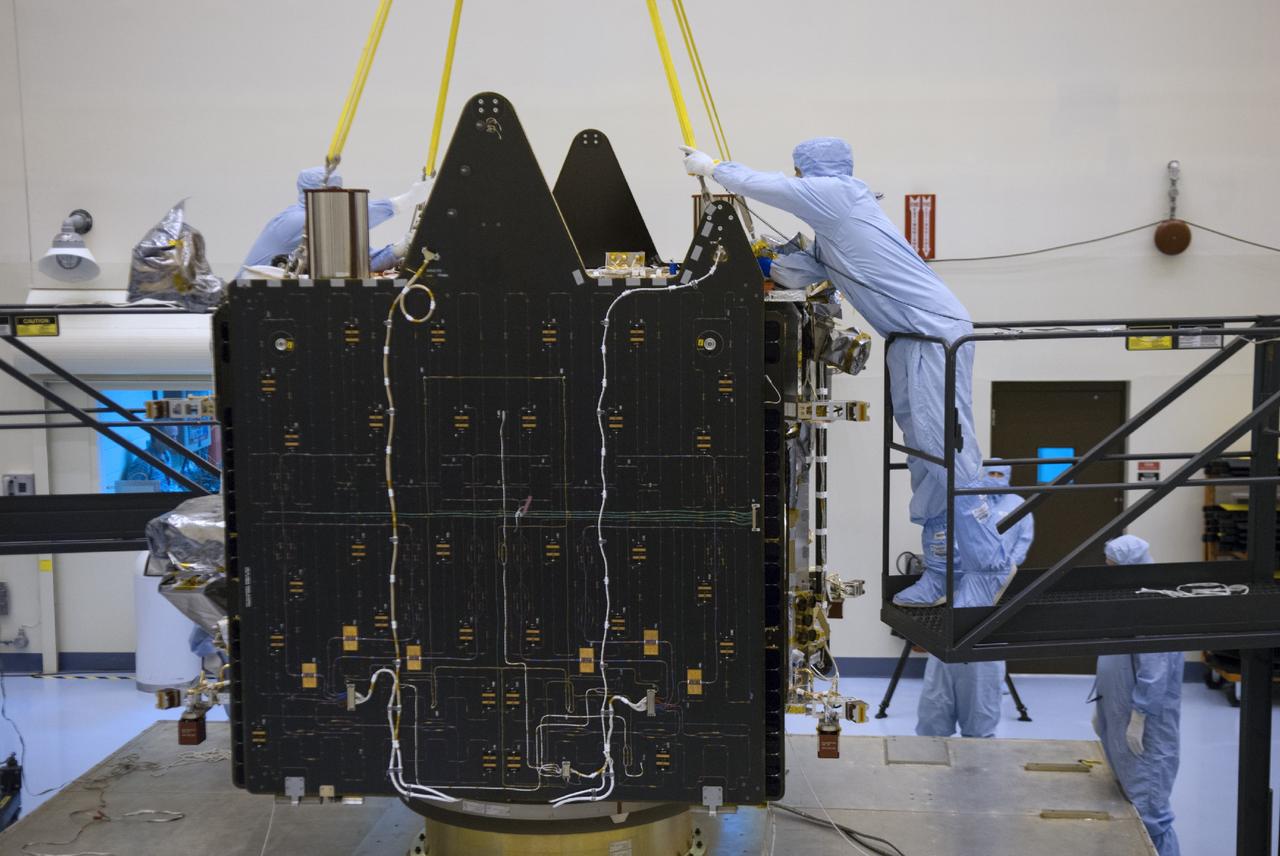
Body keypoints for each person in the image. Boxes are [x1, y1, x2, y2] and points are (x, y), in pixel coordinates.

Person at [681, 139, 1009, 608]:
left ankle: (989, 568)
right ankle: (941, 571)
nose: (797, 178)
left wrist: (715, 168)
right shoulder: (834, 231)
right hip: (908, 339)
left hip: (934, 334)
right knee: (923, 459)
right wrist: (760, 260)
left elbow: (773, 187)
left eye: (799, 171)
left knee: (944, 451)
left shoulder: (839, 195)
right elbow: (803, 272)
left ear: (812, 171)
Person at [915, 460, 1035, 737]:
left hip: (995, 596)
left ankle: (978, 736)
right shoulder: (967, 502)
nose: (994, 478)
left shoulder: (1018, 505)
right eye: (990, 473)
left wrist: (1000, 572)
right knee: (938, 690)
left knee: (982, 688)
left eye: (1000, 474)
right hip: (958, 592)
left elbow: (1021, 545)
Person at [1090, 535, 1182, 856]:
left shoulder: (1152, 608)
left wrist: (1140, 716)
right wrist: (1102, 707)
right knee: (1129, 802)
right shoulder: (1126, 601)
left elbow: (1154, 671)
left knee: (1150, 813)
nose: (1108, 572)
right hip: (1119, 716)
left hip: (1147, 727)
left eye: (1113, 567)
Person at [240, 167, 429, 276]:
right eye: (332, 192)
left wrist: (400, 248)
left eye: (339, 191)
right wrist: (407, 200)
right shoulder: (296, 220)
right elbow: (351, 216)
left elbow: (359, 263)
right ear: (312, 192)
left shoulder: (324, 231)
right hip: (249, 298)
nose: (339, 199)